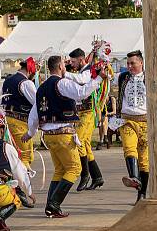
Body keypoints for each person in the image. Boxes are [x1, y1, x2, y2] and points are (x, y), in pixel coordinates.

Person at [24, 55, 105, 218]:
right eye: (64, 64)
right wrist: (99, 80)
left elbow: (34, 113)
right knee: (75, 169)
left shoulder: (41, 88)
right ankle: (54, 205)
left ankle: (50, 206)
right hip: (63, 134)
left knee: (60, 170)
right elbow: (81, 93)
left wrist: (30, 133)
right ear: (60, 66)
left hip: (48, 136)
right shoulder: (61, 83)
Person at [65, 47, 106, 191]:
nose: (72, 64)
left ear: (81, 59)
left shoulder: (89, 70)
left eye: (73, 61)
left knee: (79, 142)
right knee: (86, 145)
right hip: (81, 112)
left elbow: (82, 80)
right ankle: (97, 177)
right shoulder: (82, 71)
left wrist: (65, 73)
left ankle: (85, 174)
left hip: (89, 112)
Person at [113, 50, 149, 202]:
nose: (129, 66)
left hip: (146, 121)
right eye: (127, 63)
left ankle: (142, 194)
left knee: (144, 159)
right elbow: (104, 76)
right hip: (127, 120)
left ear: (141, 62)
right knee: (129, 147)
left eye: (132, 63)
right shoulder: (123, 77)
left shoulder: (149, 76)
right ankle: (134, 177)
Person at [1, 58, 37, 170]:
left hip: (7, 120)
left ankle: (16, 183)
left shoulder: (7, 80)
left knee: (13, 155)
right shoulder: (26, 83)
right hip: (20, 122)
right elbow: (37, 102)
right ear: (30, 71)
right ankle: (22, 185)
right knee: (25, 156)